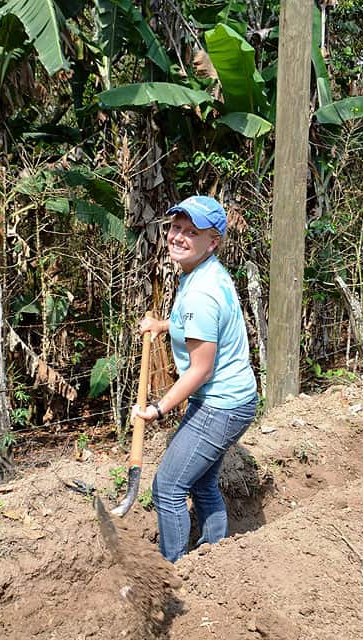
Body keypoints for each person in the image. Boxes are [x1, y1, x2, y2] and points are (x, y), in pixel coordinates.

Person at [131, 195, 258, 562]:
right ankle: (216, 558)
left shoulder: (200, 292)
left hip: (222, 405)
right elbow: (199, 327)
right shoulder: (206, 273)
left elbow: (201, 369)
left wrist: (158, 408)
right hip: (233, 398)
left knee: (168, 486)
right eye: (175, 228)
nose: (179, 237)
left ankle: (171, 570)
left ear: (213, 241)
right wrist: (162, 325)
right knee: (201, 481)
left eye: (192, 232)